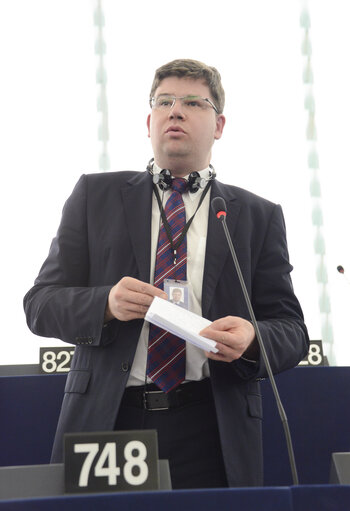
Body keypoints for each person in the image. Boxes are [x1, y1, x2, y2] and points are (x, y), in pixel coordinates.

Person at [23, 58, 309, 489]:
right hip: (110, 421)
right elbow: (40, 305)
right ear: (150, 120)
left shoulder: (256, 215)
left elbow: (291, 330)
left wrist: (253, 338)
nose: (176, 111)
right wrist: (105, 303)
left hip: (213, 426)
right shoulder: (94, 196)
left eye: (194, 102)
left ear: (219, 125)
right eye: (165, 101)